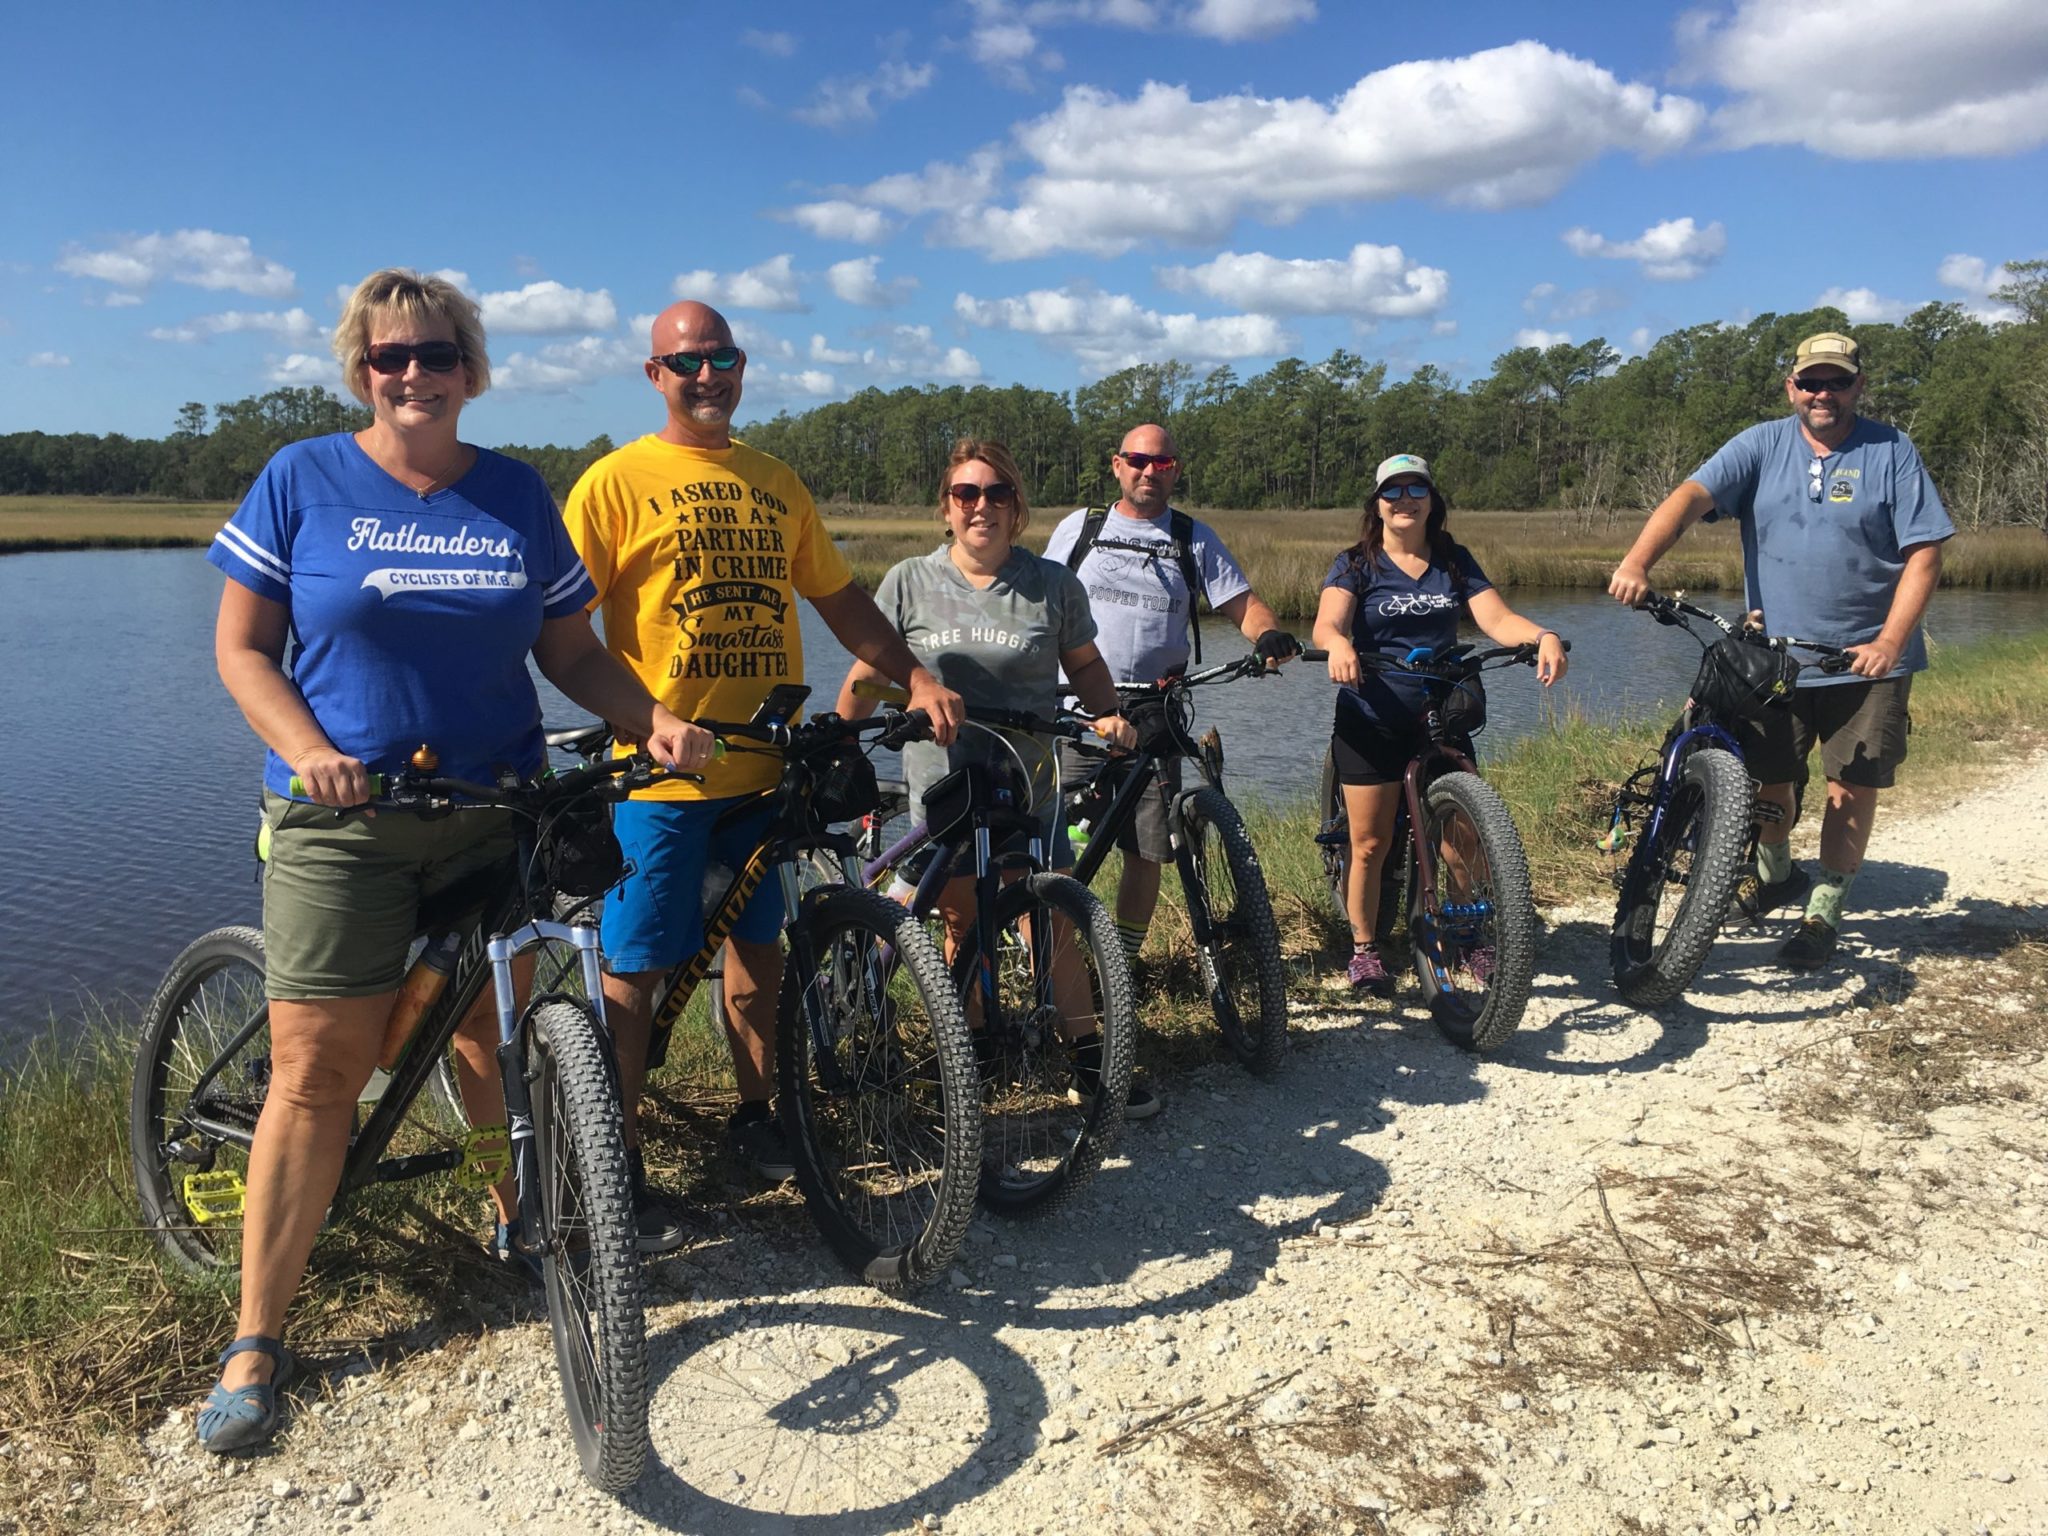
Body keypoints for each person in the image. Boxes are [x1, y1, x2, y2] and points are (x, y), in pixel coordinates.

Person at [200, 268, 689, 1453]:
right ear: (358, 372)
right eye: (386, 359)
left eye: (432, 354)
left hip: (491, 809)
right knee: (319, 1075)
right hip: (344, 823)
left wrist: (649, 720)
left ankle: (517, 1210)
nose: (410, 374)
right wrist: (309, 748)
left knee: (495, 1032)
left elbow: (571, 650)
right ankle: (258, 1334)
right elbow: (242, 651)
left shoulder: (516, 495)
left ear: (470, 369)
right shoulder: (301, 480)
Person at [560, 301, 963, 1245]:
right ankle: (616, 1167)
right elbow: (563, 629)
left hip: (762, 771)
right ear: (654, 373)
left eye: (724, 358)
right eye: (688, 360)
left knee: (760, 955)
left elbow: (839, 599)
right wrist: (645, 719)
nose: (709, 375)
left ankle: (760, 1113)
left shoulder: (775, 482)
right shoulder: (614, 484)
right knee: (637, 968)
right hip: (658, 779)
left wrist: (914, 672)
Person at [1609, 331, 1952, 969]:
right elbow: (1690, 497)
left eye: (1838, 381)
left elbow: (1925, 553)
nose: (1824, 393)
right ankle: (1774, 876)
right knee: (1768, 779)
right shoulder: (1761, 444)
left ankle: (1823, 910)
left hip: (1865, 660)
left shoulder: (1891, 450)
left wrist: (1889, 641)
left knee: (1850, 784)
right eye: (1811, 382)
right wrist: (1637, 562)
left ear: (1858, 386)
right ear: (1791, 386)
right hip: (1773, 656)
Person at [1041, 423, 1301, 1116]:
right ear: (1116, 466)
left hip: (1156, 712)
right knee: (1063, 855)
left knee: (1147, 851)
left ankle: (1115, 974)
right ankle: (1060, 981)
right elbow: (1036, 596)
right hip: (1076, 709)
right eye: (1137, 459)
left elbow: (1242, 606)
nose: (1149, 470)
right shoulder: (1081, 528)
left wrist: (1269, 634)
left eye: (1161, 461)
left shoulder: (1192, 537)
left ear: (1174, 469)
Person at [835, 437, 1137, 961]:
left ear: (1016, 506)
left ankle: (1084, 1044)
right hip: (944, 789)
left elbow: (1084, 663)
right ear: (947, 505)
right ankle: (973, 1042)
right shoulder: (909, 580)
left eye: (998, 493)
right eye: (967, 493)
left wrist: (1108, 715)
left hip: (1030, 787)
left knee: (1052, 925)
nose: (982, 506)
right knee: (962, 928)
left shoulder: (1053, 584)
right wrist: (838, 743)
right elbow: (866, 674)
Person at [1312, 453, 1567, 995]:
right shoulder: (1356, 564)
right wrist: (1338, 645)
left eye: (1415, 490)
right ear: (1376, 504)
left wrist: (1541, 635)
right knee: (1369, 844)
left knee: (1464, 836)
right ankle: (1365, 951)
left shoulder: (1454, 560)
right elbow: (1328, 623)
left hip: (1440, 711)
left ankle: (1469, 936)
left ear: (1432, 501)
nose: (1404, 500)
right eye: (1393, 491)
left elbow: (1495, 619)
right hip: (1372, 714)